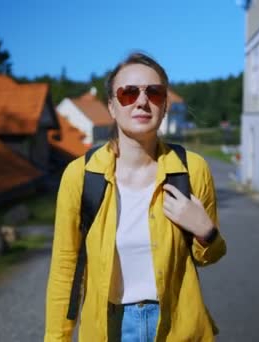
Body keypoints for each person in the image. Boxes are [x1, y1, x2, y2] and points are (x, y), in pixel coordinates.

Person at [44, 52, 226, 342]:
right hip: (109, 328)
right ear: (112, 107)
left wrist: (206, 231)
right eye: (128, 93)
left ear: (164, 105)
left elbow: (210, 256)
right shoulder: (79, 176)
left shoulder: (193, 170)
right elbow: (65, 267)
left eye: (153, 92)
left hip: (178, 327)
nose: (142, 101)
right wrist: (57, 338)